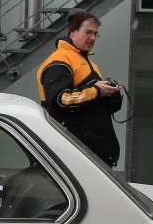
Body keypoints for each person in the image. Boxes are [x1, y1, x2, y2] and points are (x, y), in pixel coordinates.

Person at [36, 9, 123, 166]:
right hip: (73, 154)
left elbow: (91, 105)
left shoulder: (87, 62)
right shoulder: (59, 61)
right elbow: (60, 101)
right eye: (88, 32)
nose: (93, 38)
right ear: (72, 32)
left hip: (92, 153)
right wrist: (97, 90)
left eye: (96, 34)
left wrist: (112, 96)